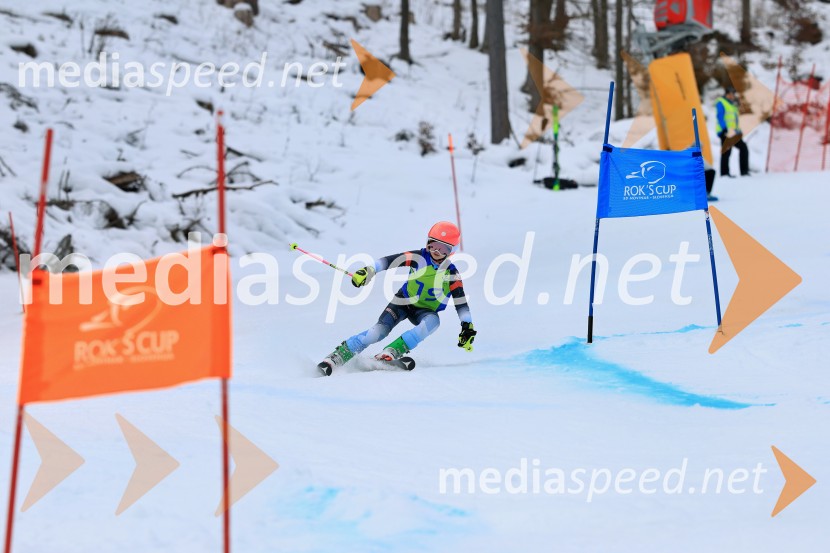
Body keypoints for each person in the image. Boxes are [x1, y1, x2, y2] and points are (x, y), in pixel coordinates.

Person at [319, 221, 476, 375]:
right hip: (402, 302)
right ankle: (339, 355)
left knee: (433, 322)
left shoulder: (452, 274)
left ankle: (393, 350)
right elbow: (388, 261)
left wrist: (467, 325)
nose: (436, 251)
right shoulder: (418, 257)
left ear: (452, 251)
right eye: (433, 245)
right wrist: (368, 270)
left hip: (425, 310)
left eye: (443, 249)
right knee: (377, 332)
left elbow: (460, 301)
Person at [716, 86, 749, 177]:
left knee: (743, 148)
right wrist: (724, 129)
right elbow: (720, 116)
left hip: (734, 133)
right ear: (726, 94)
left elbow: (735, 121)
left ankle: (744, 171)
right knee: (726, 152)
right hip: (725, 132)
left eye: (732, 94)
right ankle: (724, 173)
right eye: (729, 94)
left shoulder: (732, 105)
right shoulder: (721, 102)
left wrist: (739, 131)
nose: (731, 96)